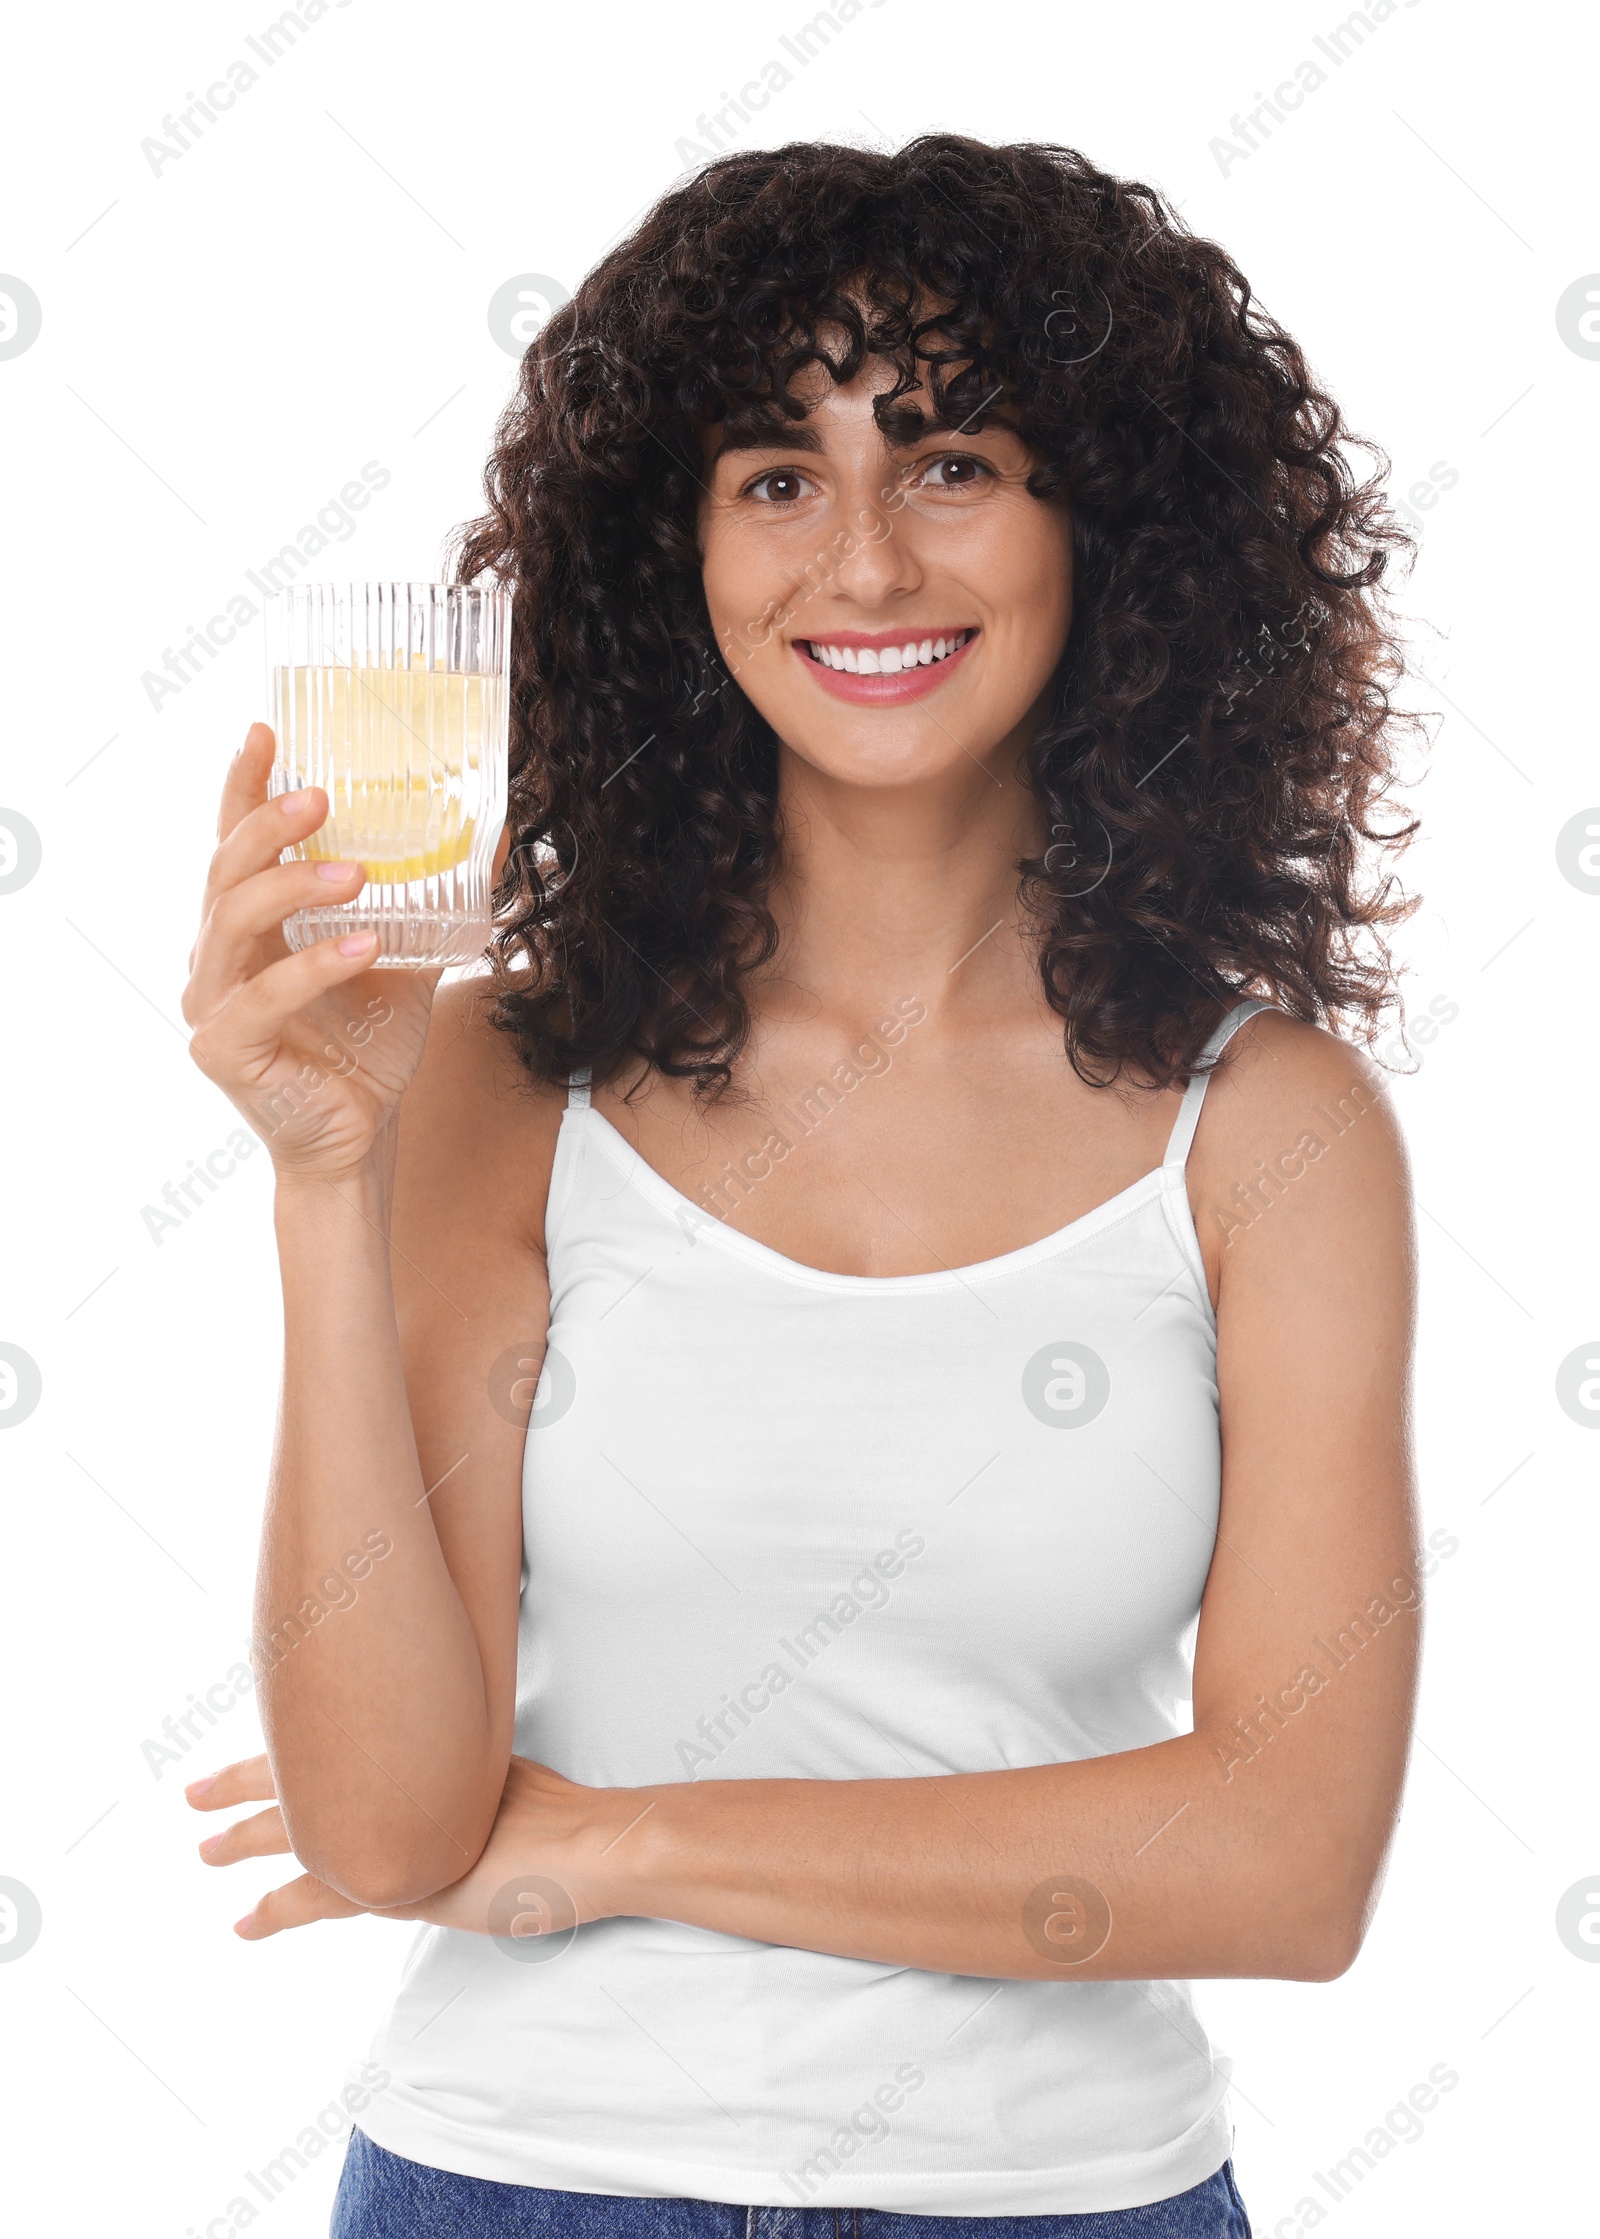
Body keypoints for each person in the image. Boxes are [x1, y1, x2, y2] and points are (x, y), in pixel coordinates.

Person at [181, 135, 1423, 2239]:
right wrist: (327, 1176)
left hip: (1070, 2203)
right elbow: (393, 1829)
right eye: (774, 475)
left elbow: (1288, 1863)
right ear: (675, 552)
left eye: (944, 462)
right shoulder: (503, 1081)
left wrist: (622, 1844)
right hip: (524, 2184)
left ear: (1093, 522)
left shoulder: (1274, 1132)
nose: (858, 561)